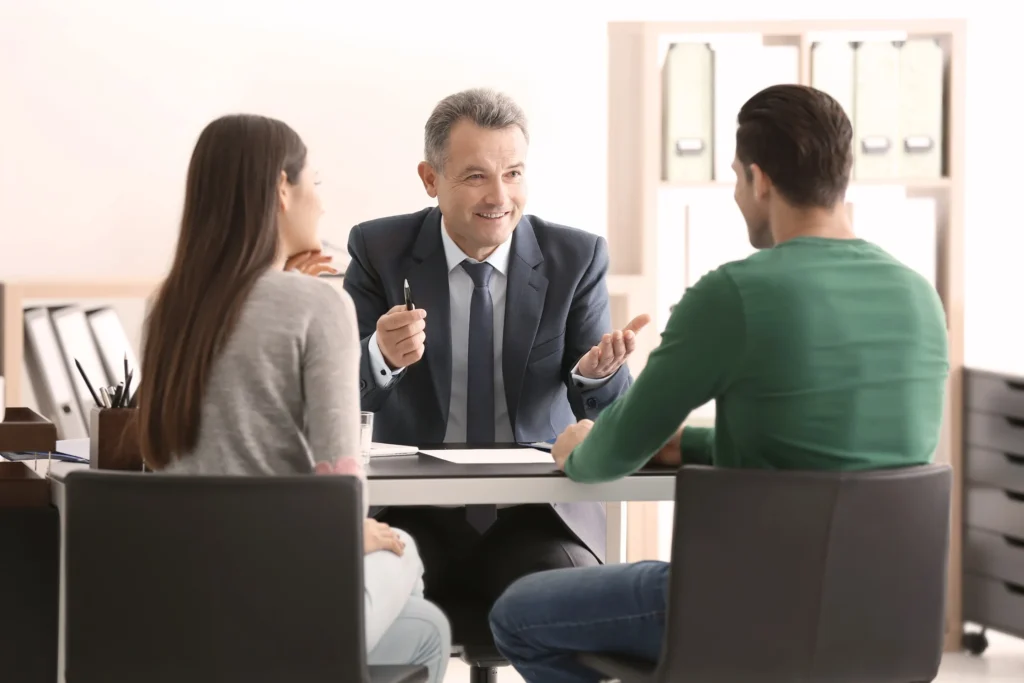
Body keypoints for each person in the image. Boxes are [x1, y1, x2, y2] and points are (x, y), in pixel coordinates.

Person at [488, 84, 951, 682]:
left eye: (735, 178)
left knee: (518, 613)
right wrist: (695, 447)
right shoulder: (920, 297)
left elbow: (607, 457)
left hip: (749, 610)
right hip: (887, 614)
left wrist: (579, 446)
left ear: (758, 180)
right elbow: (843, 464)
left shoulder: (735, 294)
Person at [136, 114, 450, 683]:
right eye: (315, 183)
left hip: (183, 594)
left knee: (419, 618)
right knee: (405, 556)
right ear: (282, 188)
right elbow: (338, 478)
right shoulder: (315, 306)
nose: (321, 204)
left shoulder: (167, 308)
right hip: (285, 589)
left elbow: (170, 456)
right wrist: (354, 534)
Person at [342, 88, 651, 608]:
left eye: (513, 174)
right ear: (430, 179)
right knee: (366, 603)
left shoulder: (576, 257)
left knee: (567, 602)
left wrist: (598, 377)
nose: (499, 197)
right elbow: (337, 396)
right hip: (410, 510)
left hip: (539, 511)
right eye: (476, 176)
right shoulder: (379, 250)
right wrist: (380, 355)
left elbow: (614, 420)